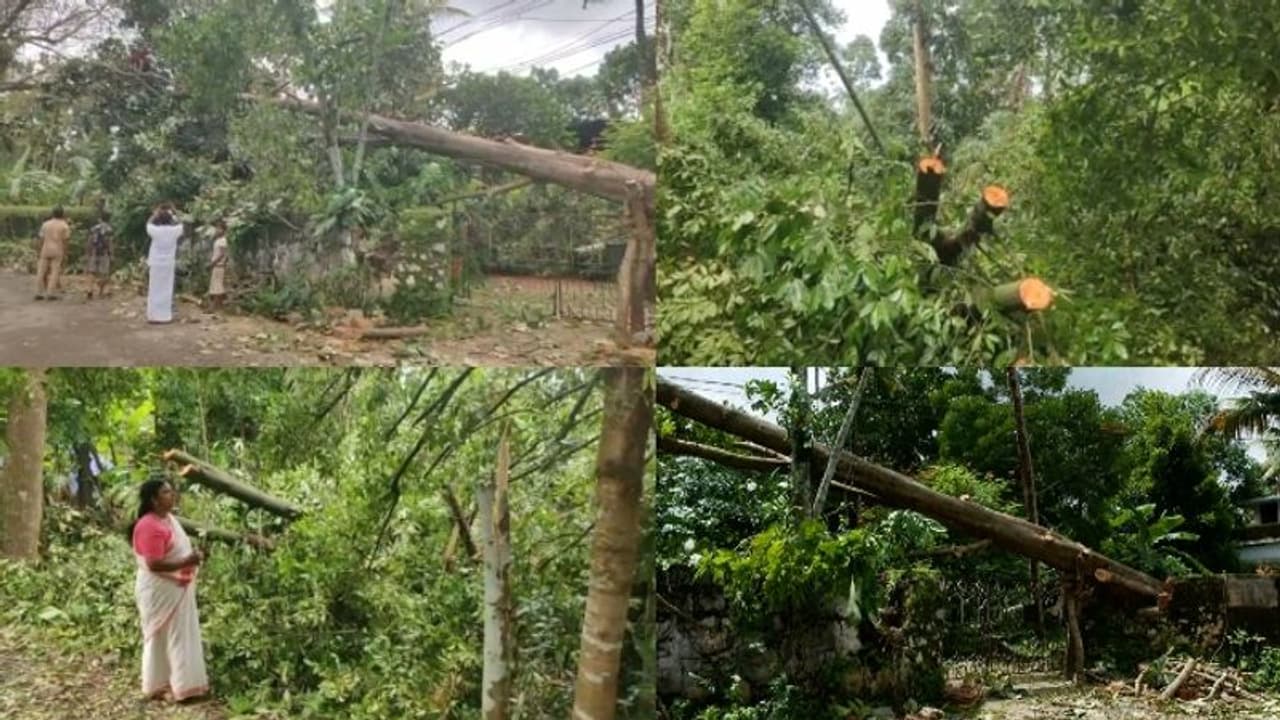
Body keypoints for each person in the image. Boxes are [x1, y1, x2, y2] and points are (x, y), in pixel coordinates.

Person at [126, 478, 209, 704]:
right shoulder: (148, 525)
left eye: (172, 492)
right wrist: (186, 561)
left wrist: (193, 558)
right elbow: (153, 564)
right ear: (153, 499)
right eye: (165, 492)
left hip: (176, 588)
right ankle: (159, 685)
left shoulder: (169, 521)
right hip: (159, 590)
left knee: (181, 634)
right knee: (164, 635)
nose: (172, 495)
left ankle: (184, 685)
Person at [145, 204, 183, 323]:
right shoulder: (174, 231)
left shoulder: (155, 231)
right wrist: (174, 212)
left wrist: (155, 214)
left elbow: (148, 224)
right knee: (167, 289)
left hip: (156, 263)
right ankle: (165, 316)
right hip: (168, 264)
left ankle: (153, 316)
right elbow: (181, 224)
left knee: (154, 289)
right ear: (170, 220)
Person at [35, 206, 71, 300]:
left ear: (52, 213)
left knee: (41, 271)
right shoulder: (64, 225)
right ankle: (50, 293)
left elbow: (41, 238)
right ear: (62, 214)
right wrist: (66, 252)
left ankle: (39, 292)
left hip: (46, 248)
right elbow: (66, 241)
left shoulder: (45, 224)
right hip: (58, 249)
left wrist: (39, 249)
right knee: (55, 271)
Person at [86, 211, 114, 299]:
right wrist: (112, 254)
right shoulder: (109, 229)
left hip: (94, 252)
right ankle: (101, 292)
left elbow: (89, 241)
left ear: (100, 219)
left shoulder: (94, 228)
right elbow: (110, 243)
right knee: (104, 273)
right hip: (104, 253)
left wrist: (88, 253)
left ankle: (90, 290)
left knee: (92, 272)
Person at [207, 221, 228, 311]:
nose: (217, 230)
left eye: (219, 228)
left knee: (216, 286)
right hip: (217, 265)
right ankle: (219, 306)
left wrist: (212, 263)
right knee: (216, 286)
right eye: (217, 228)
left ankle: (213, 307)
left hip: (218, 266)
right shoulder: (218, 240)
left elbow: (222, 254)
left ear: (223, 230)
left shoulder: (223, 241)